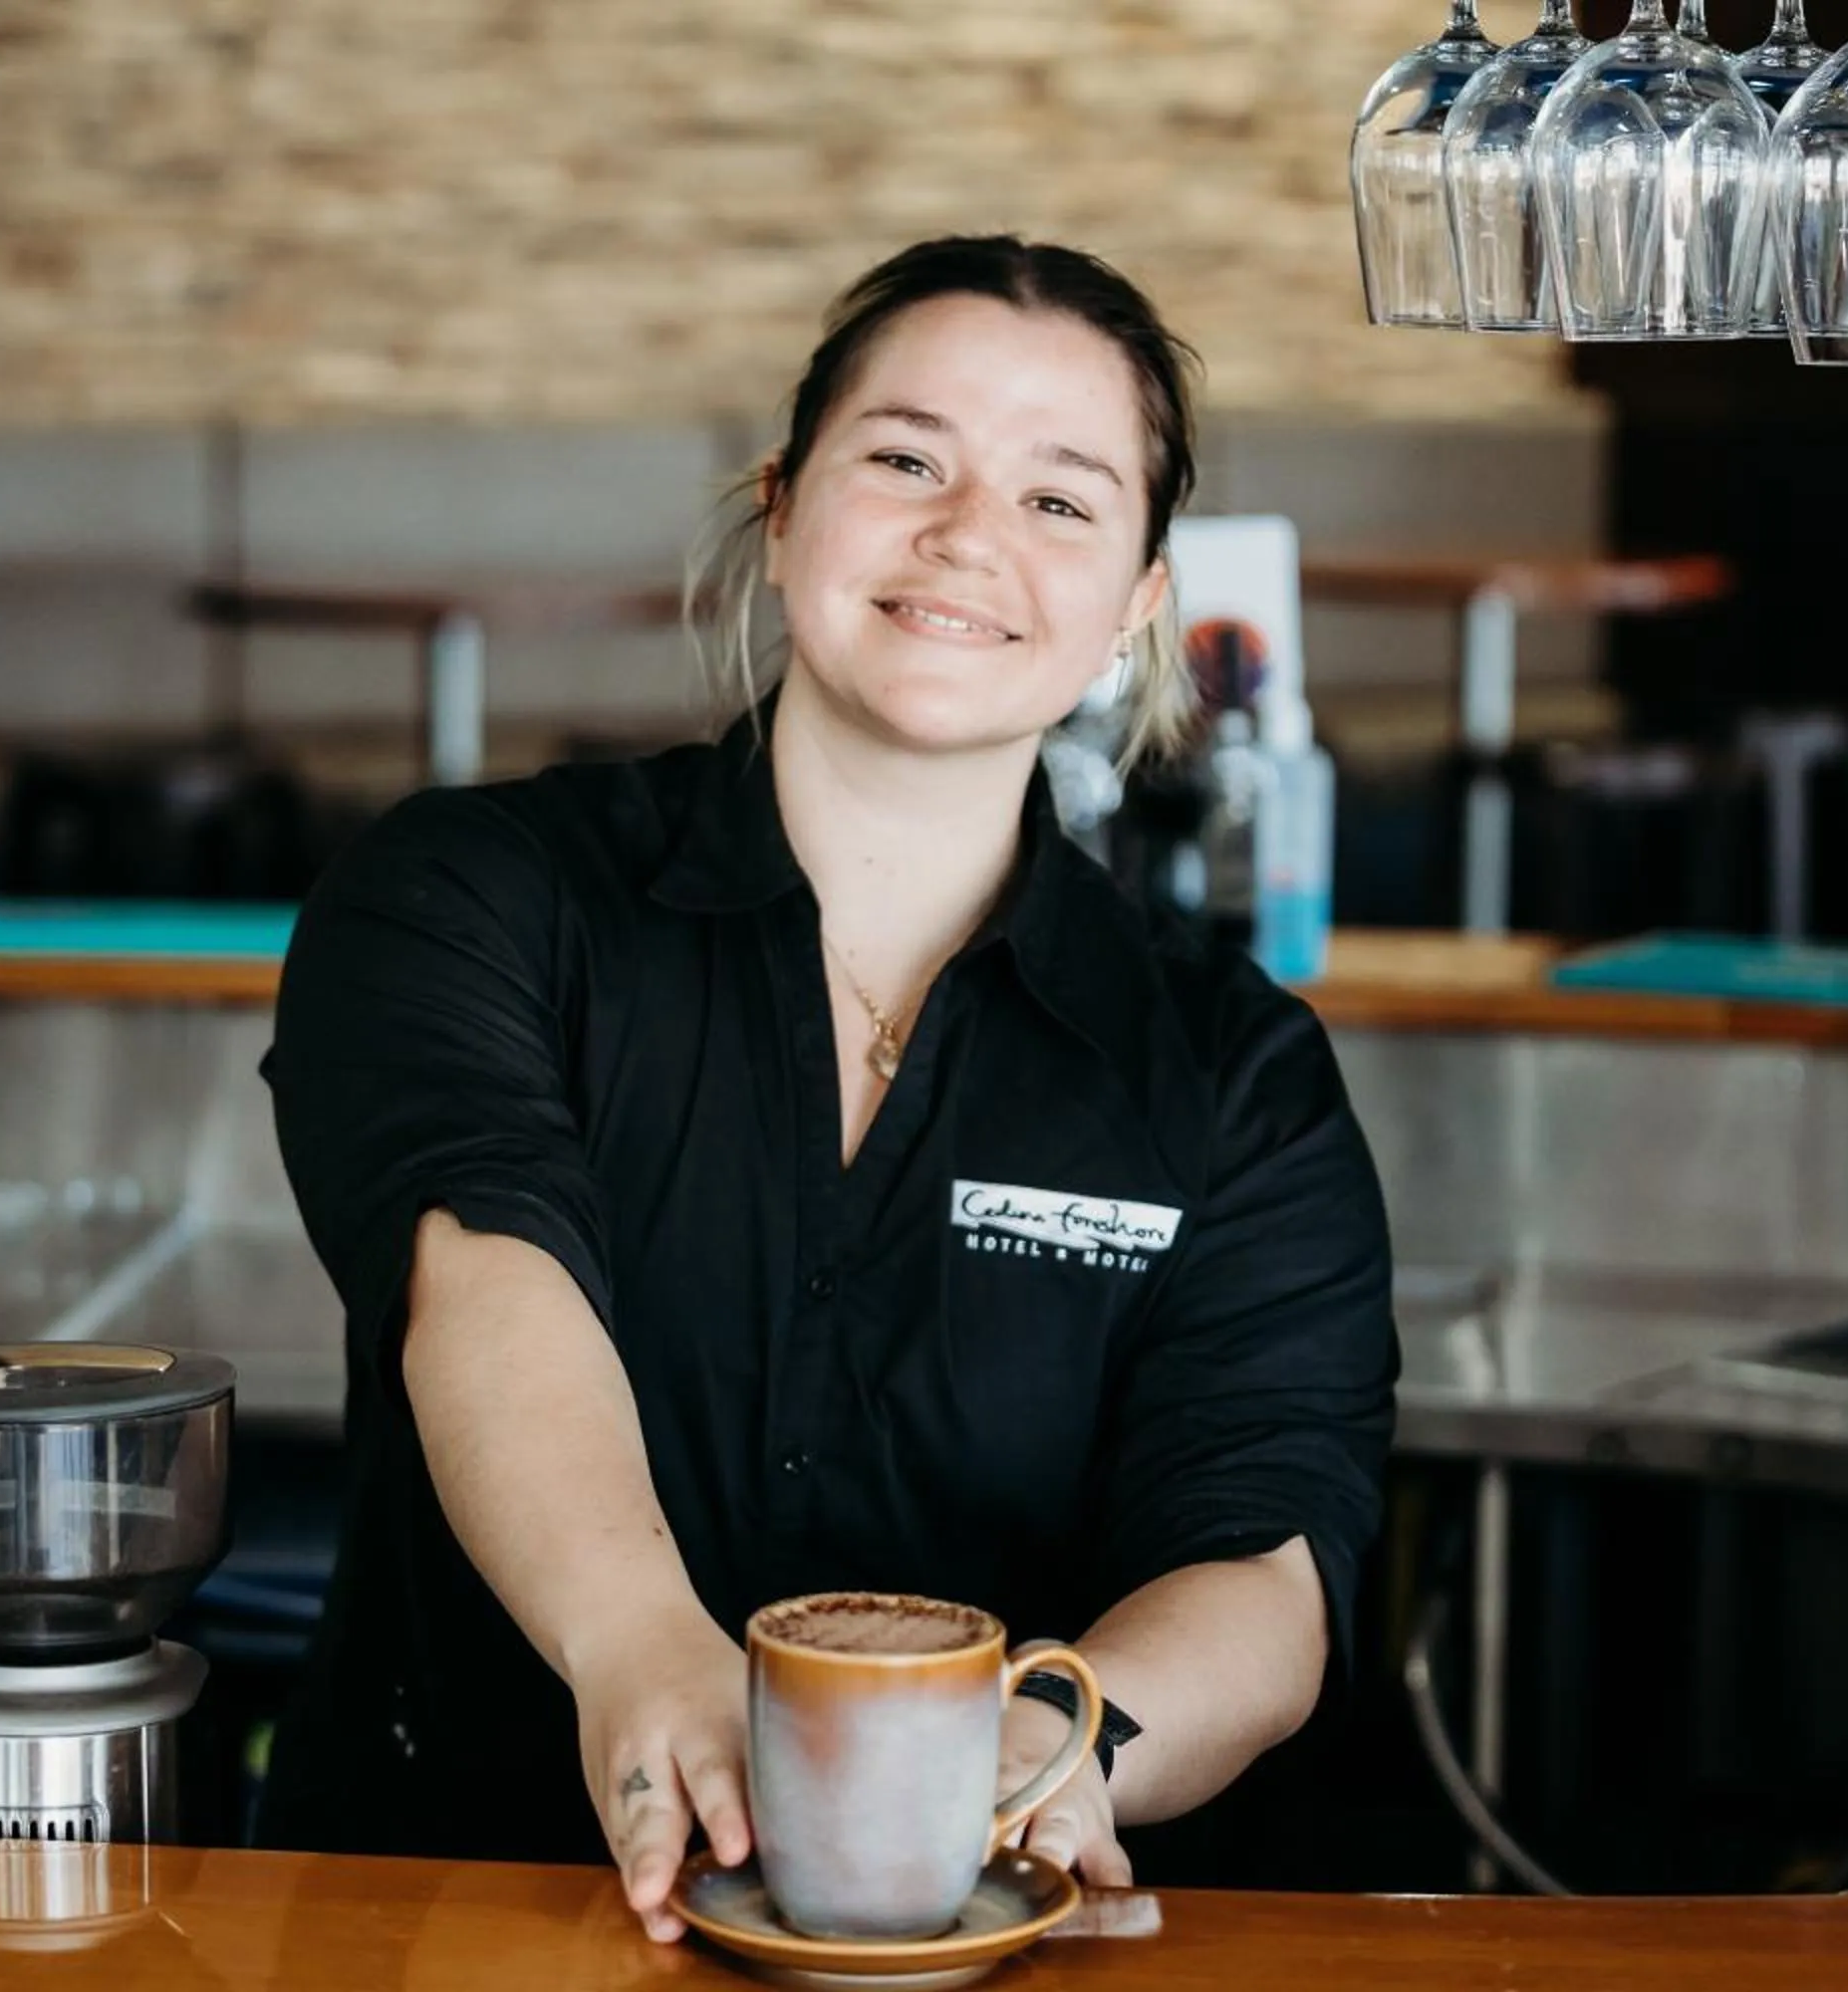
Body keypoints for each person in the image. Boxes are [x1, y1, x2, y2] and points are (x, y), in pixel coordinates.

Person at [254, 235, 1398, 1938]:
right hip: (462, 1912)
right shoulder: (475, 898)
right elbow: (487, 1286)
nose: (967, 537)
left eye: (1062, 503)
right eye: (906, 459)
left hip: (985, 1953)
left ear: (1137, 606)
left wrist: (1037, 1760)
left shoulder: (1232, 1076)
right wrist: (642, 1650)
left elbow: (1265, 1566)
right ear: (783, 509)